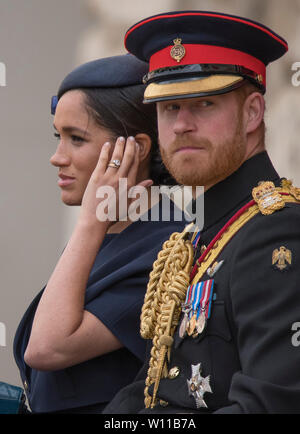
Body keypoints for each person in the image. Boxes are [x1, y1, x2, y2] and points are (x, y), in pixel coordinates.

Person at [103, 11, 300, 414]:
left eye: (204, 103)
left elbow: (270, 405)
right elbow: (150, 388)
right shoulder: (197, 236)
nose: (181, 125)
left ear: (252, 113)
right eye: (169, 107)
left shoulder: (278, 231)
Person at [13, 54, 187, 414]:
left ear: (135, 149)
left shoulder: (166, 248)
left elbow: (46, 348)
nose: (56, 157)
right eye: (57, 136)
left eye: (76, 139)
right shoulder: (113, 229)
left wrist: (91, 221)